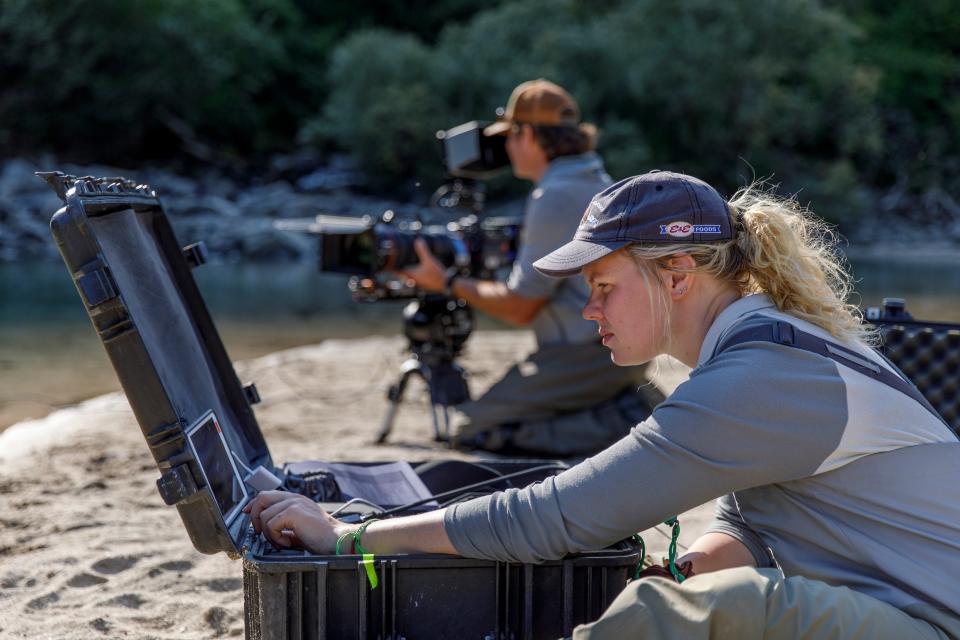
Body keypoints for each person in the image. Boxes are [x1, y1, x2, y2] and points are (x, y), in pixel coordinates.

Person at [246, 171, 960, 639]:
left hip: (933, 623)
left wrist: (348, 539)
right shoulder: (770, 344)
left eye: (603, 285)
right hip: (904, 608)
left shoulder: (764, 372)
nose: (588, 310)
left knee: (693, 612)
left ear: (676, 273)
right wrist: (688, 564)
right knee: (692, 592)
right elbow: (756, 520)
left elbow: (553, 519)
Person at [401, 78, 661, 456]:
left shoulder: (555, 195)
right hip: (619, 348)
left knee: (471, 429)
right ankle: (621, 402)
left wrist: (445, 281)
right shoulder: (596, 180)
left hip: (587, 355)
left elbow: (521, 306)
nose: (506, 145)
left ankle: (622, 422)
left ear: (529, 136)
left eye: (510, 135)